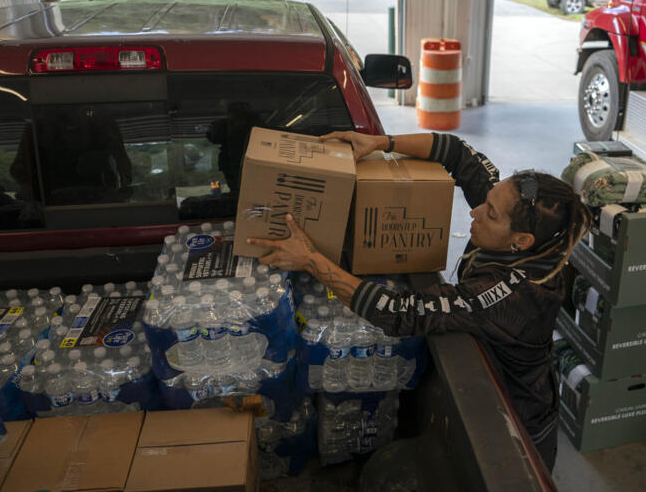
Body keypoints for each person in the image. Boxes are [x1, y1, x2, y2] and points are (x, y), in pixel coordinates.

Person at [248, 131, 590, 471]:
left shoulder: (508, 295)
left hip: (514, 424)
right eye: (486, 202)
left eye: (492, 214)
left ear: (521, 241)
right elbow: (457, 151)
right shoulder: (513, 218)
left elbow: (399, 312)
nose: (476, 212)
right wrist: (382, 143)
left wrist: (311, 260)